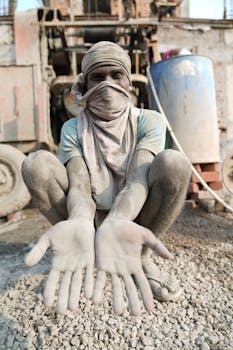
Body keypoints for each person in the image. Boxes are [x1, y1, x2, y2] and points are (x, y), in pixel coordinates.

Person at [22, 41, 191, 316]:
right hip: (90, 217)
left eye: (116, 75)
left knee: (174, 163)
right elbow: (79, 185)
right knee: (35, 164)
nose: (107, 84)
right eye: (98, 77)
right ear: (85, 83)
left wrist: (117, 220)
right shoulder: (73, 128)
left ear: (128, 81)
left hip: (133, 215)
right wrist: (78, 218)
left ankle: (142, 256)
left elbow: (138, 178)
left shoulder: (149, 120)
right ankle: (82, 247)